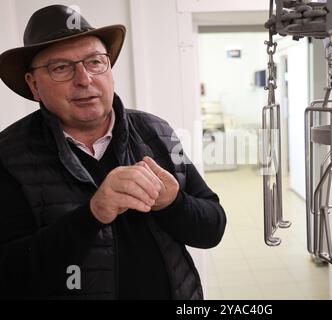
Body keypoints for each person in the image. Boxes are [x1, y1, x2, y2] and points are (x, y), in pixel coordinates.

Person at [0, 5, 226, 300]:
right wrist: (91, 215)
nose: (84, 79)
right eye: (60, 68)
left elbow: (213, 228)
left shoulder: (157, 132)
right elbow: (10, 276)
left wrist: (173, 203)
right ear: (34, 85)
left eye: (95, 62)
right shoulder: (9, 155)